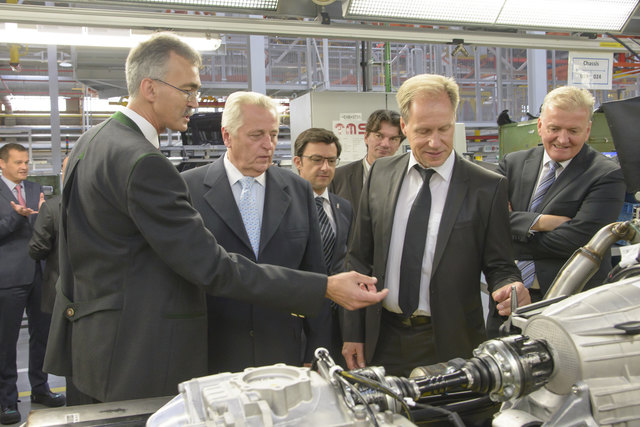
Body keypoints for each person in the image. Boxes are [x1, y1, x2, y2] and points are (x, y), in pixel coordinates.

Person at [42, 32, 387, 404]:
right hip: (136, 350)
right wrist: (323, 287)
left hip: (95, 344)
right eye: (187, 90)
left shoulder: (89, 143)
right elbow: (212, 267)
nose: (194, 102)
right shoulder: (145, 163)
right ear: (150, 88)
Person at [342, 74, 528, 377]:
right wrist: (353, 332)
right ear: (404, 127)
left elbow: (500, 265)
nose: (435, 142)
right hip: (382, 337)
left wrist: (509, 286)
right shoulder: (381, 173)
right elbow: (358, 258)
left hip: (450, 342)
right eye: (423, 130)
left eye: (444, 129)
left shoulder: (486, 187)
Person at [181, 92, 329, 373]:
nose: (268, 145)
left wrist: (317, 349)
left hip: (283, 351)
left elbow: (315, 272)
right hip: (212, 352)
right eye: (256, 135)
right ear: (227, 136)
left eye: (273, 134)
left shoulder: (297, 190)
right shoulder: (188, 189)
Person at [491, 86, 626, 335]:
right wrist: (541, 222)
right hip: (508, 300)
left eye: (573, 131)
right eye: (554, 129)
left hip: (571, 304)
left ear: (587, 130)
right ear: (540, 125)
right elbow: (486, 224)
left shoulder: (607, 174)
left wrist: (510, 230)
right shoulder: (512, 164)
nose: (562, 139)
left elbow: (580, 241)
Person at [1, 143, 64, 426]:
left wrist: (43, 215)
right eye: (18, 162)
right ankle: (7, 400)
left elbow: (47, 228)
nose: (24, 167)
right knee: (6, 342)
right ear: (2, 164)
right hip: (9, 278)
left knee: (42, 336)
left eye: (26, 162)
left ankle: (40, 389)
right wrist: (18, 216)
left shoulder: (37, 188)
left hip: (41, 273)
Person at [293, 127, 353, 361]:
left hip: (336, 322)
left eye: (331, 160)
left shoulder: (343, 207)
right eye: (317, 160)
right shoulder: (281, 207)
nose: (325, 168)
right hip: (297, 321)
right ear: (298, 161)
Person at [330, 109, 404, 216]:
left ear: (398, 145)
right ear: (366, 137)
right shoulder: (338, 177)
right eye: (379, 136)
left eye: (393, 139)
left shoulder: (407, 178)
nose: (385, 144)